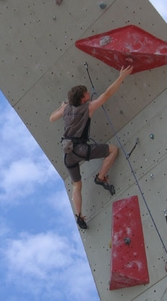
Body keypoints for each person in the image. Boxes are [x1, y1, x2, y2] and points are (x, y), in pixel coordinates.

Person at [49, 65, 133, 229]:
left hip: (67, 154)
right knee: (113, 150)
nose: (89, 94)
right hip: (80, 149)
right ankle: (100, 177)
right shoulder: (88, 107)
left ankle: (79, 216)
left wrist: (61, 106)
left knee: (76, 186)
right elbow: (108, 93)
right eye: (86, 93)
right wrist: (122, 76)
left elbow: (52, 118)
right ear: (82, 99)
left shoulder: (66, 109)